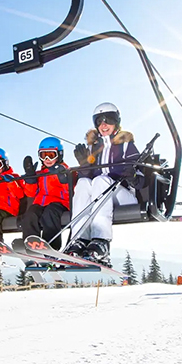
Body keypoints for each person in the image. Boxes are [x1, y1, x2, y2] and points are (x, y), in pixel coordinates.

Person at [67, 102, 140, 266]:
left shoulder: (126, 144)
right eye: (99, 121)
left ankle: (101, 241)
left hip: (124, 196)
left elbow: (141, 178)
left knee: (101, 180)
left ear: (117, 122)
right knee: (84, 183)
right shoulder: (93, 148)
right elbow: (87, 177)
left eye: (109, 119)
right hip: (100, 195)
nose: (104, 124)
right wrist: (84, 164)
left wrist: (132, 175)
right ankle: (79, 239)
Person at [22, 137, 71, 253]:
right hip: (41, 203)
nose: (47, 159)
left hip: (60, 203)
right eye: (43, 156)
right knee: (30, 214)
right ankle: (31, 244)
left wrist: (64, 179)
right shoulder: (39, 174)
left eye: (51, 155)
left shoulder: (66, 171)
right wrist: (31, 179)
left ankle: (51, 246)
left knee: (50, 214)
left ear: (59, 155)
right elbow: (30, 193)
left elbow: (71, 192)